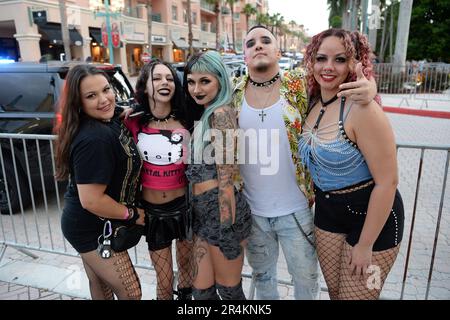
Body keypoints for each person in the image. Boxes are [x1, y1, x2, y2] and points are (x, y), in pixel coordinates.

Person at [231, 25, 378, 300]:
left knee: (306, 281)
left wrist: (369, 87)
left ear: (278, 51)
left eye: (265, 40)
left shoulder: (298, 85)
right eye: (251, 43)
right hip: (252, 212)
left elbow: (336, 80)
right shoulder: (233, 92)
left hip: (295, 210)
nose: (258, 45)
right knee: (263, 279)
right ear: (245, 56)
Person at [299, 28, 404, 300]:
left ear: (355, 63)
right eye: (321, 58)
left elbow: (388, 181)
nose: (328, 67)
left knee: (360, 297)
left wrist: (365, 244)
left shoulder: (362, 108)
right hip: (327, 214)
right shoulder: (309, 100)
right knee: (335, 293)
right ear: (311, 60)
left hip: (375, 220)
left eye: (340, 59)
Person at [55, 64, 145, 300]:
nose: (104, 99)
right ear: (79, 103)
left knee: (101, 287)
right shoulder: (94, 139)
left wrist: (127, 109)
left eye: (106, 90)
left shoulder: (105, 119)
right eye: (91, 96)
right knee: (131, 292)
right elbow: (92, 200)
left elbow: (117, 108)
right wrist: (133, 214)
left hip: (90, 223)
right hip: (91, 228)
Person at [124, 59, 194, 300]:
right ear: (144, 87)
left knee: (187, 273)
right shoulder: (132, 121)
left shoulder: (187, 119)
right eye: (156, 78)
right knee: (164, 282)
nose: (164, 82)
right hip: (153, 212)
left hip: (185, 207)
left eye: (169, 78)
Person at [184, 50, 251, 300]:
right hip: (203, 213)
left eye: (205, 81)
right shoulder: (208, 112)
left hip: (223, 214)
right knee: (201, 292)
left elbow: (226, 180)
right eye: (191, 81)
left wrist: (226, 230)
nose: (196, 88)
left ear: (220, 80)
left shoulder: (220, 114)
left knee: (229, 291)